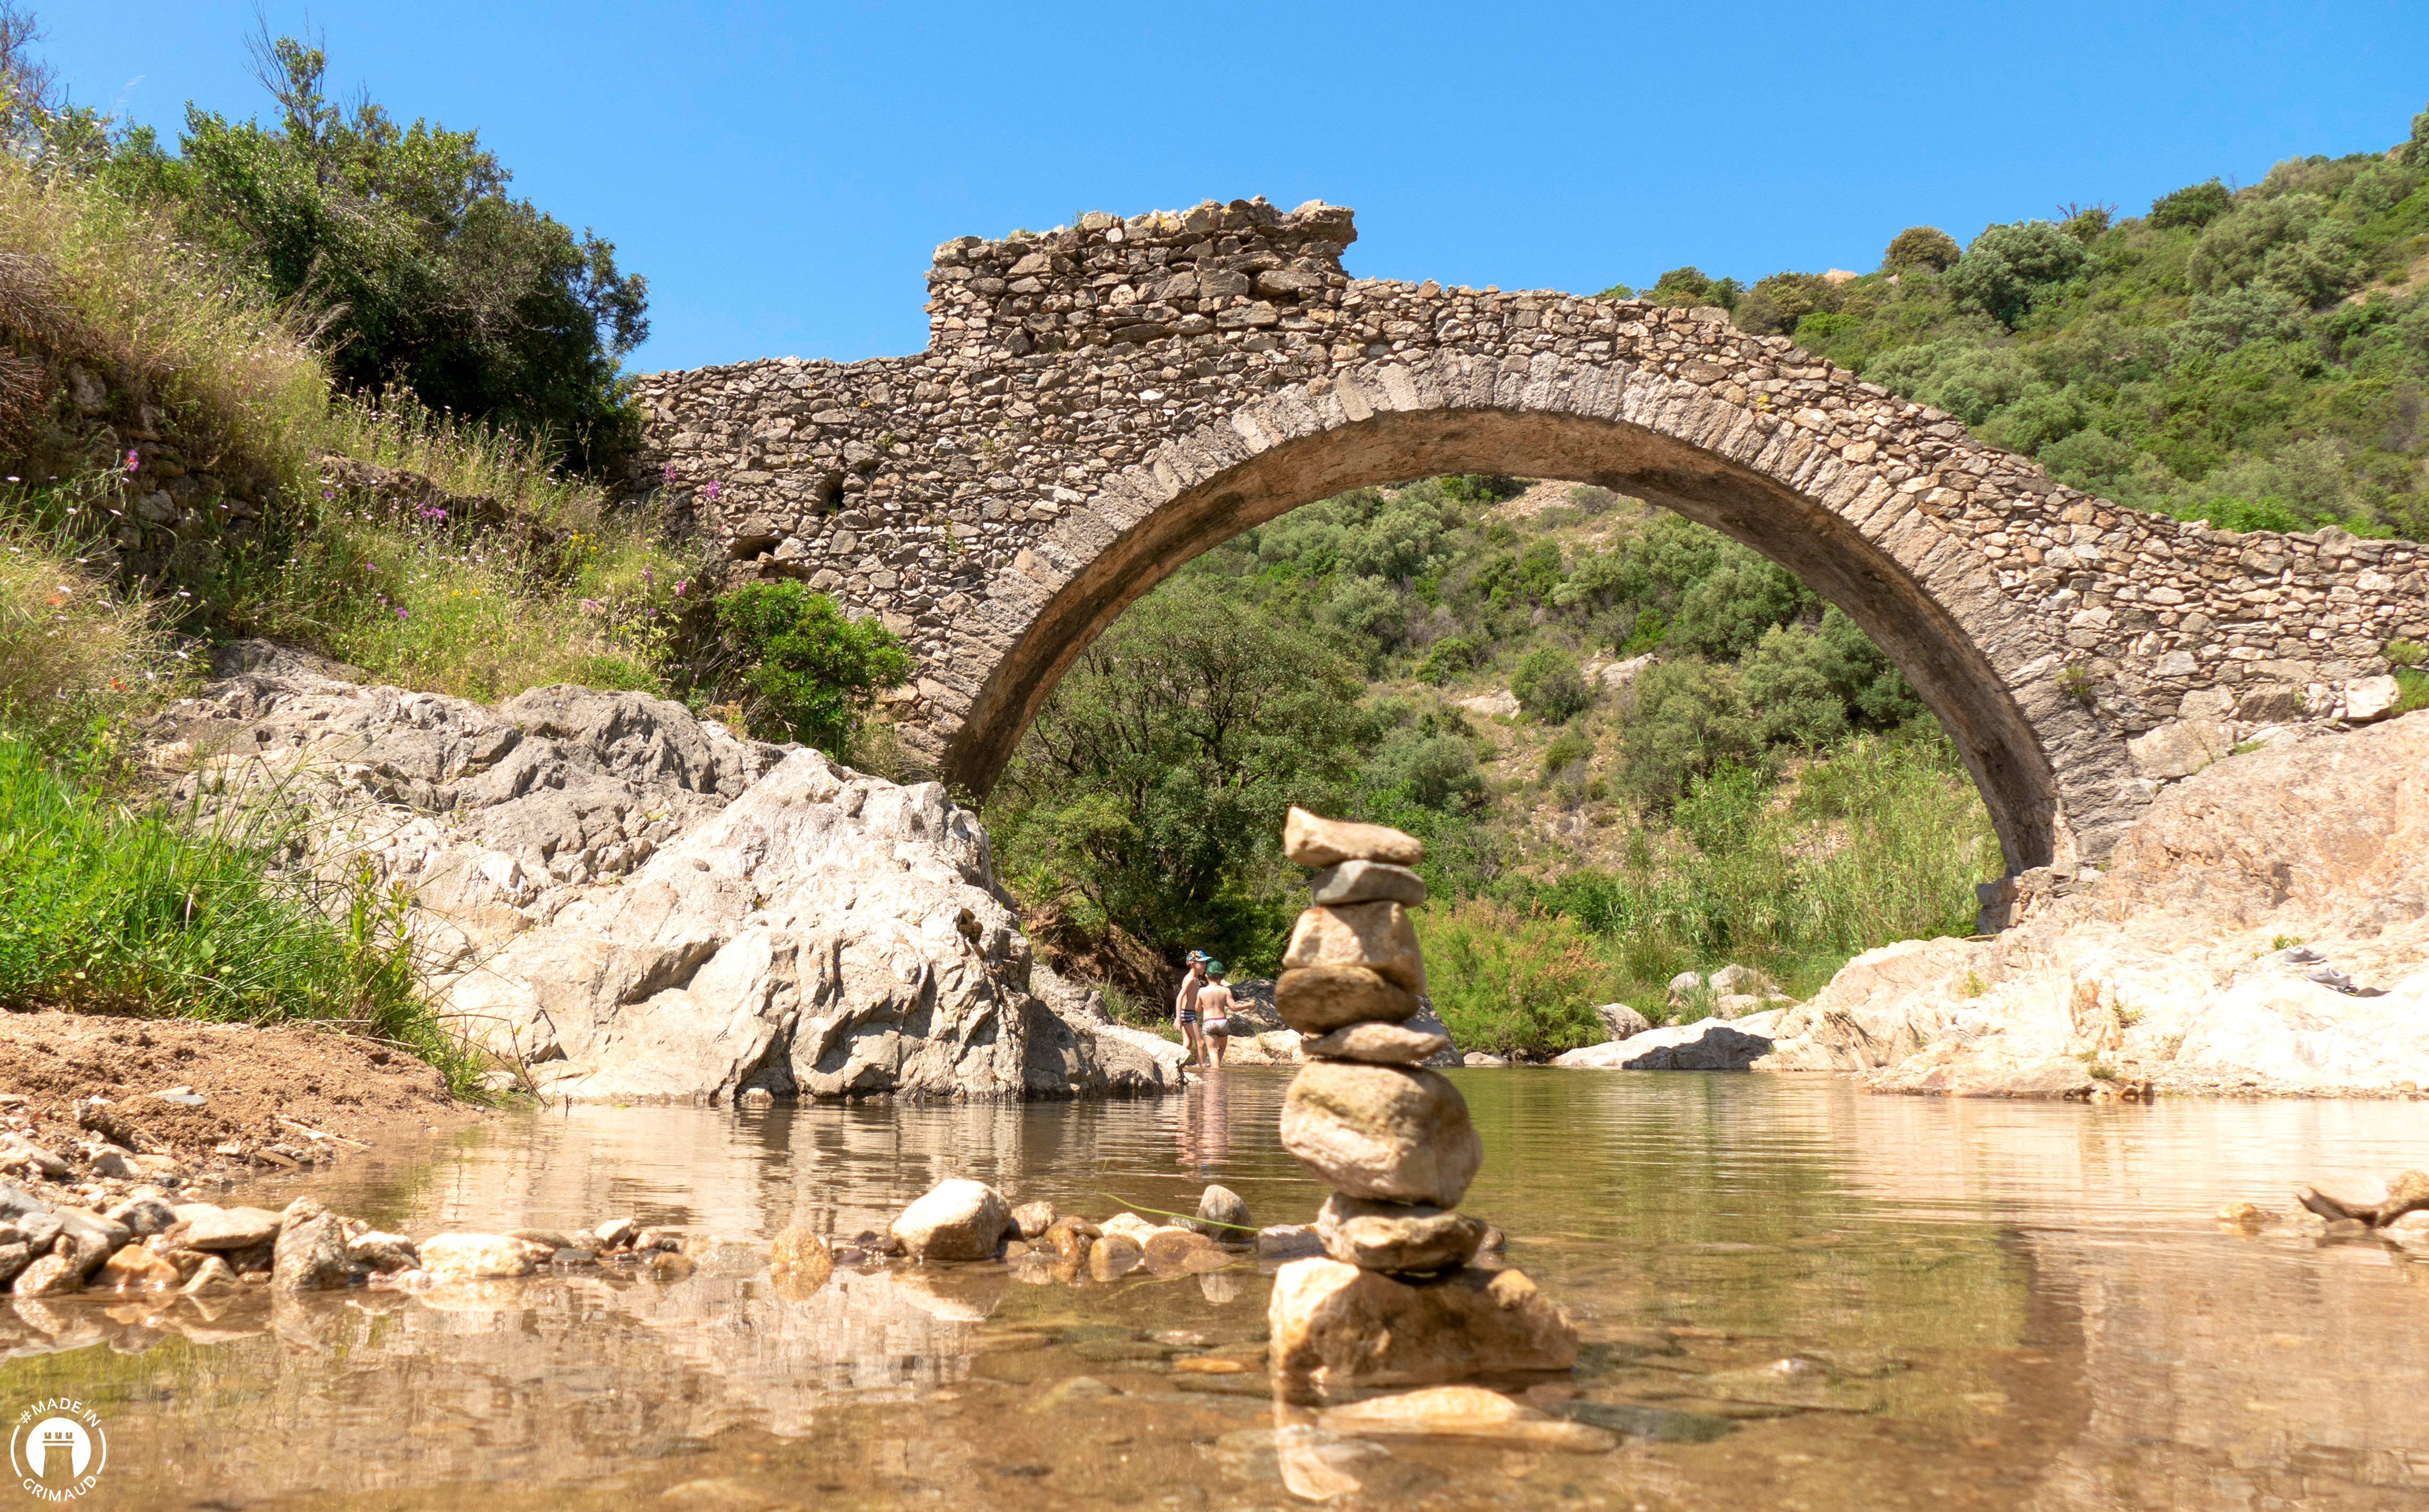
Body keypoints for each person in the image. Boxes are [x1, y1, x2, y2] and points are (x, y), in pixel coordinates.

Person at [1195, 960, 1236, 1069]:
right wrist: (1248, 1006)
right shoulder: (1226, 990)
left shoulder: (1202, 991)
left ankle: (1215, 1070)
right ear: (1222, 977)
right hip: (1222, 1022)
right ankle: (1216, 1067)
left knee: (1212, 1050)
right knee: (1222, 1047)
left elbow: (1198, 1009)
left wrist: (1204, 1007)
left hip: (1209, 1022)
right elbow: (1233, 1007)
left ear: (1207, 976)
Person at [1174, 950, 1208, 1068]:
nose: (1205, 965)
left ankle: (1176, 1065)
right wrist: (1178, 1018)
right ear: (1193, 964)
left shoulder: (1194, 979)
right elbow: (1179, 998)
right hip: (1187, 1014)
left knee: (1187, 1044)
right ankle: (1203, 1067)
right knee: (1201, 1042)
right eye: (1202, 963)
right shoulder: (1189, 979)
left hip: (1188, 1013)